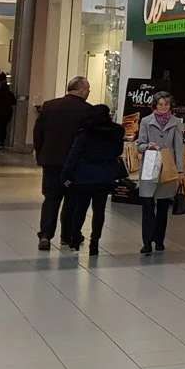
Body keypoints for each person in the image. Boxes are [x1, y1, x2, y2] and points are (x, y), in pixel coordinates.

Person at [33, 76, 93, 251]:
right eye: (88, 89)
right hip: (76, 165)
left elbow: (38, 132)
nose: (88, 93)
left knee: (51, 199)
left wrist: (40, 153)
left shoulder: (50, 106)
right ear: (81, 90)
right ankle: (67, 236)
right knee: (72, 200)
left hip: (51, 161)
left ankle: (45, 235)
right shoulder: (88, 111)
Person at [62, 104, 124, 256]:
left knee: (80, 208)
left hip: (84, 176)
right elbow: (118, 151)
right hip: (105, 176)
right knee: (99, 210)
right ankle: (94, 242)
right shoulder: (116, 132)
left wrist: (66, 174)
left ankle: (75, 237)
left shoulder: (84, 133)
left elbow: (74, 155)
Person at [136, 91, 184, 255]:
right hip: (150, 166)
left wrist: (181, 170)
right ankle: (147, 242)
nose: (163, 107)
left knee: (163, 207)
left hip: (168, 167)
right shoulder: (146, 121)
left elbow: (179, 148)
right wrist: (147, 145)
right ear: (155, 105)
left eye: (166, 104)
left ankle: (159, 240)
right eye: (160, 104)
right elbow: (139, 145)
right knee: (147, 206)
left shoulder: (176, 123)